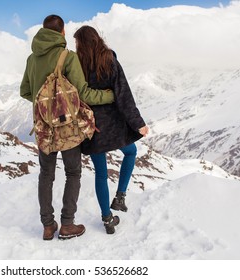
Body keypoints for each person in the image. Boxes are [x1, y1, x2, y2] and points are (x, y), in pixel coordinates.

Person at [20, 16, 115, 240]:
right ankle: (67, 224)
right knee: (73, 173)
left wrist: (45, 105)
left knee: (46, 174)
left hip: (43, 128)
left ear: (42, 32)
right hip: (68, 128)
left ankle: (47, 225)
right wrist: (111, 95)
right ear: (62, 32)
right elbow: (84, 94)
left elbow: (25, 91)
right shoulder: (68, 57)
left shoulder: (32, 59)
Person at [73, 25, 149, 234]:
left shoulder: (76, 63)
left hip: (91, 126)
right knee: (131, 152)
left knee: (101, 174)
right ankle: (120, 196)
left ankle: (107, 218)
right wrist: (138, 123)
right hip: (114, 124)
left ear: (81, 43)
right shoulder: (110, 60)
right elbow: (124, 95)